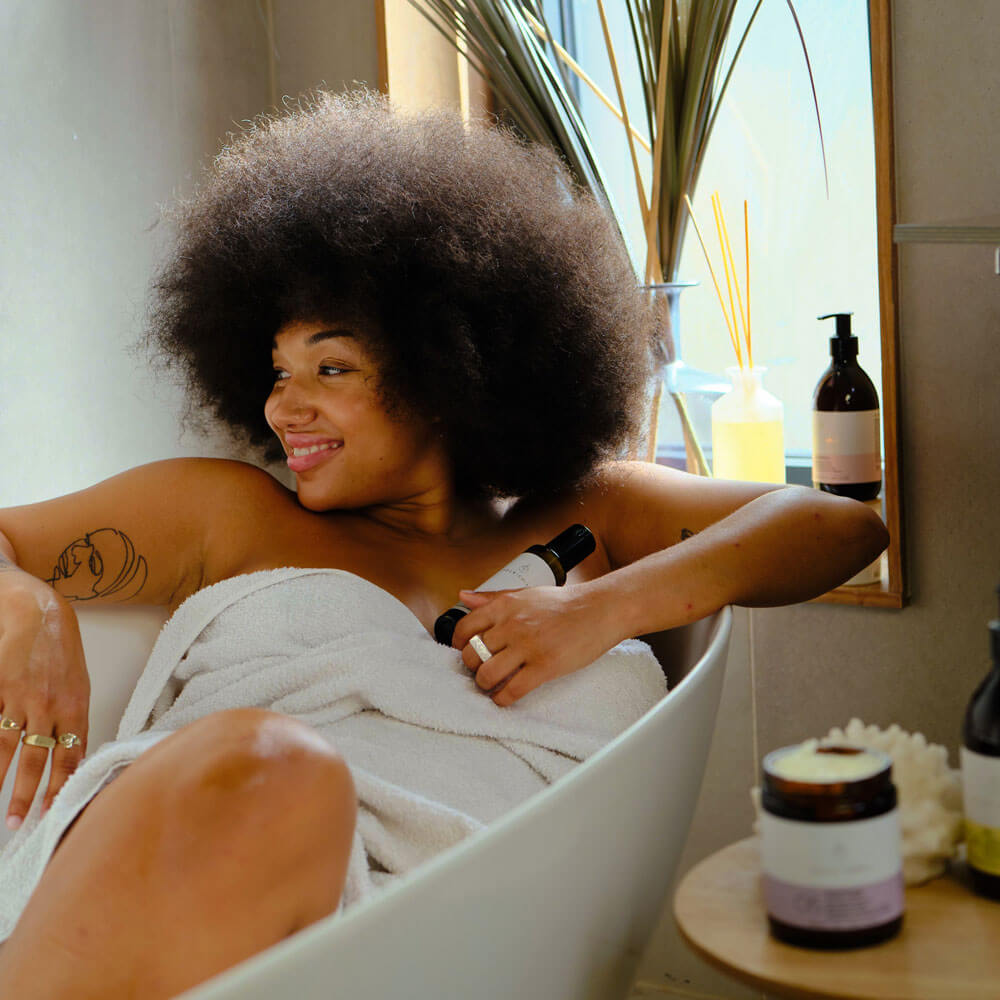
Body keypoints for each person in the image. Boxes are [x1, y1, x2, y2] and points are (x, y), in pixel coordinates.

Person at [0, 90, 887, 998]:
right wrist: (26, 601)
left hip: (453, 941)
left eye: (331, 369)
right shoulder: (230, 512)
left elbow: (842, 525)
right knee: (273, 764)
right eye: (277, 371)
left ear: (446, 371)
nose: (281, 407)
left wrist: (598, 609)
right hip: (195, 886)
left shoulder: (582, 516)